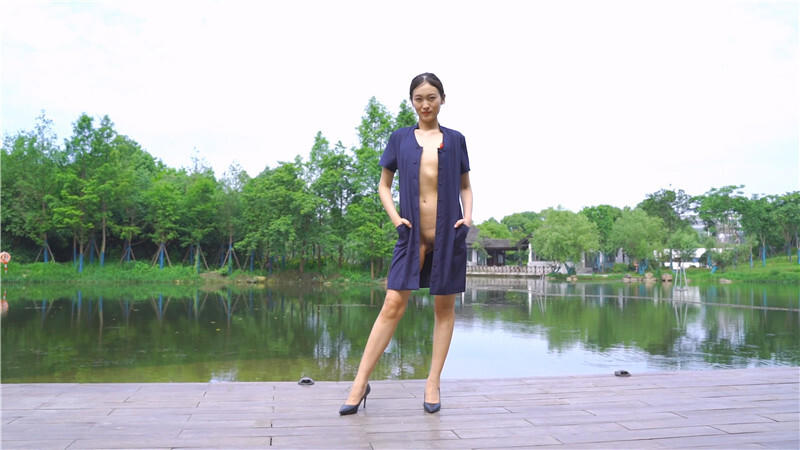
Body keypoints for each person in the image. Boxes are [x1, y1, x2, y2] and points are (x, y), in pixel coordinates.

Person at [339, 73, 473, 415]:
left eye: (431, 97)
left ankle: (432, 382)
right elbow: (383, 185)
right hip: (411, 235)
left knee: (444, 309)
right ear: (412, 101)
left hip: (448, 235)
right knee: (391, 305)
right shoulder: (400, 138)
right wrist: (396, 218)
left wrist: (468, 217)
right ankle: (359, 383)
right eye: (419, 98)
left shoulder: (456, 140)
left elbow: (465, 186)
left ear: (442, 99)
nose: (425, 104)